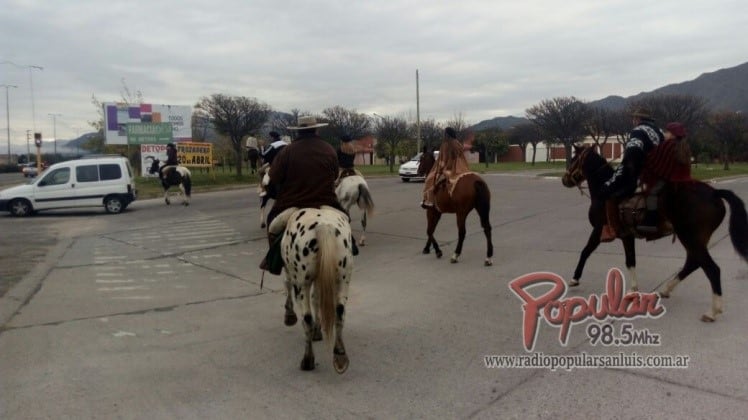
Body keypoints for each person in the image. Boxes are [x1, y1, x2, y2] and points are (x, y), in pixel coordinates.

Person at [259, 116, 352, 274]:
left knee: (272, 224)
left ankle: (274, 262)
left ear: (299, 132)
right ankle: (351, 248)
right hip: (326, 201)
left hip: (293, 203)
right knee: (345, 220)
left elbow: (273, 178)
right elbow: (335, 175)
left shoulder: (287, 151)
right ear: (316, 130)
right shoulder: (328, 149)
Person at [598, 109, 664, 240]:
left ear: (638, 119)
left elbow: (634, 151)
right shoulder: (659, 131)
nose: (633, 121)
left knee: (607, 192)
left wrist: (626, 168)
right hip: (660, 171)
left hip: (644, 172)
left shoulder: (638, 131)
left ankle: (614, 230)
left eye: (634, 118)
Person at [638, 122, 692, 232]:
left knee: (652, 194)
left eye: (667, 132)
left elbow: (655, 162)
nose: (665, 134)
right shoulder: (684, 146)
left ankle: (651, 223)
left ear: (673, 134)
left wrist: (643, 159)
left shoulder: (668, 145)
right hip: (684, 179)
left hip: (668, 180)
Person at [421, 127, 470, 208]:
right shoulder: (457, 143)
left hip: (449, 168)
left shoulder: (445, 144)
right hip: (461, 167)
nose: (444, 136)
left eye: (445, 134)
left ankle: (429, 200)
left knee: (430, 179)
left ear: (447, 134)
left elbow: (443, 160)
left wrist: (439, 169)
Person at [258, 132, 287, 197]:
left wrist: (261, 147)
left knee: (260, 171)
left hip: (275, 164)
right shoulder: (286, 144)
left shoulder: (273, 145)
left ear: (272, 137)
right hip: (286, 164)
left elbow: (264, 155)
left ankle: (263, 189)